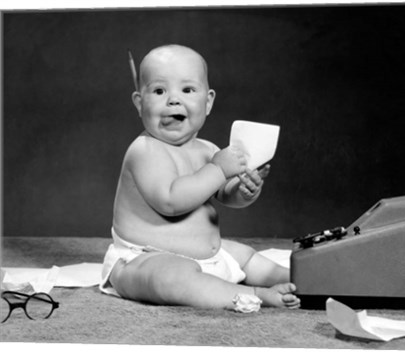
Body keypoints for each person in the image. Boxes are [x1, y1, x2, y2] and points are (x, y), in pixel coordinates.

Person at [100, 44, 300, 311]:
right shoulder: (144, 151)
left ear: (207, 102)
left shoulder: (207, 150)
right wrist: (218, 170)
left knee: (246, 256)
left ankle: (298, 279)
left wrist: (243, 190)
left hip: (208, 256)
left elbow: (225, 194)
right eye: (159, 91)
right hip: (143, 259)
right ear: (139, 103)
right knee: (171, 278)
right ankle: (255, 293)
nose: (173, 100)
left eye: (187, 90)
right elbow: (171, 201)